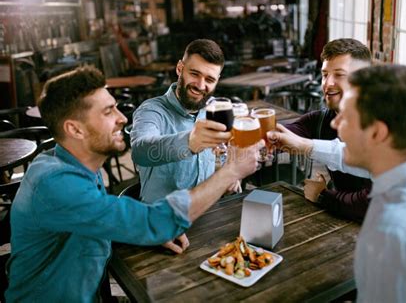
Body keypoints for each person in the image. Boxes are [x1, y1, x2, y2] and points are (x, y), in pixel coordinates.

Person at [5, 66, 262, 301]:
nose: (123, 118)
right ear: (75, 130)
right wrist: (231, 171)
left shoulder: (77, 166)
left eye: (116, 107)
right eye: (108, 111)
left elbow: (94, 223)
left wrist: (139, 234)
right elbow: (155, 221)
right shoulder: (55, 184)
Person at [268, 64, 406, 301]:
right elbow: (345, 154)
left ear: (377, 133)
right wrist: (305, 145)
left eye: (345, 117)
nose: (334, 124)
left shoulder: (393, 235)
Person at [131, 39, 240, 206]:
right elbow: (140, 150)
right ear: (180, 69)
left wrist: (228, 176)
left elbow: (221, 158)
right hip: (162, 221)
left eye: (209, 79)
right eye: (194, 74)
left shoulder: (215, 110)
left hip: (206, 213)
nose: (200, 85)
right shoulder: (151, 110)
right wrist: (189, 142)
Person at [285, 38, 372, 222]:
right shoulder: (323, 119)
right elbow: (285, 133)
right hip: (341, 226)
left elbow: (371, 204)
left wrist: (323, 195)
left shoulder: (383, 127)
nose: (328, 83)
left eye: (339, 74)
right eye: (325, 74)